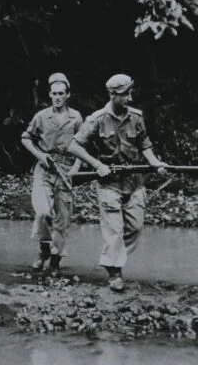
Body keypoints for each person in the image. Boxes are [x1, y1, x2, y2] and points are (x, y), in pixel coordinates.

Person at [68, 74, 168, 291]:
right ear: (112, 95)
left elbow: (144, 144)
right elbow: (74, 147)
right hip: (109, 184)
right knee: (113, 229)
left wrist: (155, 163)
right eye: (125, 94)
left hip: (135, 183)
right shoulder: (96, 119)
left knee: (135, 227)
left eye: (130, 92)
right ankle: (115, 272)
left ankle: (113, 258)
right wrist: (97, 165)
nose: (130, 98)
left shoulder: (136, 117)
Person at [21, 73, 84, 276]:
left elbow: (82, 144)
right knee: (42, 212)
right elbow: (25, 138)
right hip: (44, 169)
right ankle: (44, 250)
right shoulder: (41, 116)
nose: (57, 97)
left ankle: (55, 260)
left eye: (61, 93)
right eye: (54, 93)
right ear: (49, 94)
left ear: (68, 95)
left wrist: (76, 167)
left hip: (66, 170)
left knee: (62, 219)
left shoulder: (76, 117)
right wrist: (39, 155)